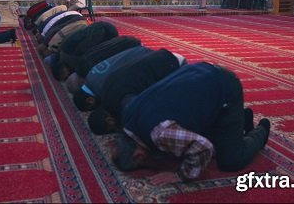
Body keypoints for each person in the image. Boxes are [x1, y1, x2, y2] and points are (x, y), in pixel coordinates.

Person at [112, 62, 271, 186]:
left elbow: (203, 147)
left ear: (138, 155)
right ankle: (240, 118)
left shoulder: (160, 133)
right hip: (198, 72)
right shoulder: (127, 113)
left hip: (225, 86)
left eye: (141, 162)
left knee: (231, 160)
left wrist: (180, 175)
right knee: (183, 144)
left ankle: (261, 131)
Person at [84, 48, 186, 135]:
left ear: (110, 121)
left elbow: (143, 112)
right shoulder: (104, 91)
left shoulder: (123, 103)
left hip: (175, 64)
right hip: (159, 54)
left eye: (112, 129)